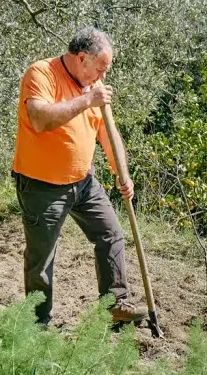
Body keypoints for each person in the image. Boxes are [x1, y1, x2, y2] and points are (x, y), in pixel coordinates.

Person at [11, 26, 146, 326]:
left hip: (83, 183)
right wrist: (87, 100)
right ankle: (37, 326)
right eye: (99, 69)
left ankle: (114, 303)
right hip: (41, 186)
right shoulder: (41, 74)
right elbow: (40, 118)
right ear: (81, 57)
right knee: (41, 261)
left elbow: (109, 136)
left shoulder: (94, 87)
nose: (102, 77)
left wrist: (121, 173)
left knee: (110, 233)